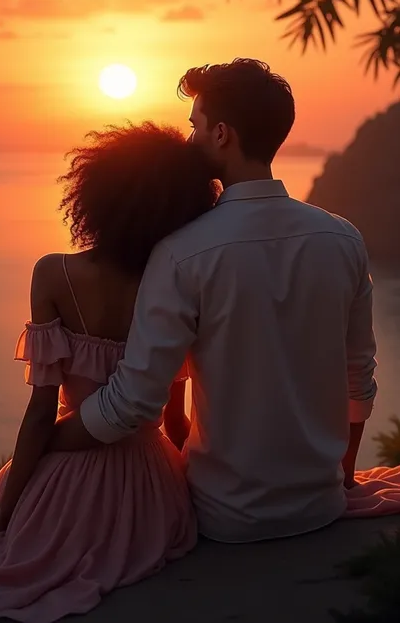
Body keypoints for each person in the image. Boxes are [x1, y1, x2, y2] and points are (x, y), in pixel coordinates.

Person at [50, 58, 378, 544]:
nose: (188, 141)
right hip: (322, 506)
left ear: (221, 134)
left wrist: (46, 442)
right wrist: (345, 471)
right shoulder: (343, 239)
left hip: (226, 519)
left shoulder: (183, 252)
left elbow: (135, 402)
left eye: (194, 127)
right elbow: (359, 378)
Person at [0, 122, 219, 622]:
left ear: (97, 193)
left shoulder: (54, 273)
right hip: (152, 492)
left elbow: (41, 414)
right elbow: (173, 421)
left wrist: (2, 515)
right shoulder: (172, 283)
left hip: (65, 487)